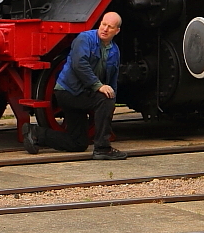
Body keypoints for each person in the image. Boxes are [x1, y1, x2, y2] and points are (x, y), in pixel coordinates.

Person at [22, 11, 127, 160]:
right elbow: (80, 65)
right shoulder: (85, 39)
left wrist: (113, 99)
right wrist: (98, 86)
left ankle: (36, 134)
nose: (105, 29)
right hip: (68, 92)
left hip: (84, 93)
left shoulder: (114, 51)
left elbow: (112, 79)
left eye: (110, 27)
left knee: (78, 143)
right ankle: (103, 148)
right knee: (104, 100)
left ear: (117, 31)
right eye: (103, 24)